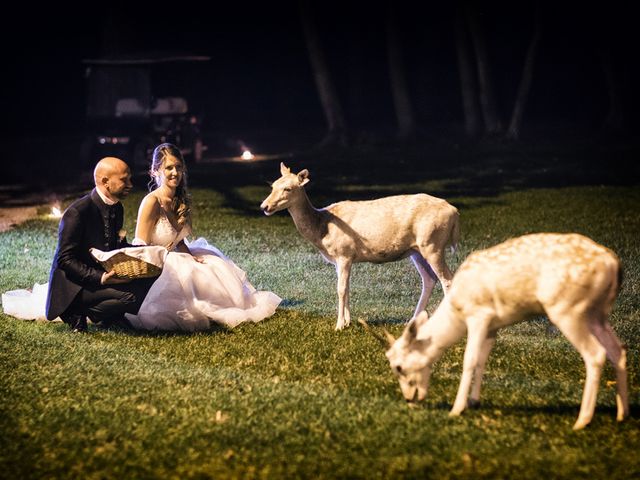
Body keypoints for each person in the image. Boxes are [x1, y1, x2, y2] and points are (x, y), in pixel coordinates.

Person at [126, 143, 281, 331]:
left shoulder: (178, 199)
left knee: (211, 266)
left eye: (178, 167)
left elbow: (178, 239)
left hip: (178, 253)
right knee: (188, 274)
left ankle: (220, 306)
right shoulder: (152, 201)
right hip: (157, 262)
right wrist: (163, 256)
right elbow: (139, 245)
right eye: (169, 168)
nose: (175, 172)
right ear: (155, 171)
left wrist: (190, 255)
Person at [45, 157, 155, 332]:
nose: (130, 185)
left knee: (149, 279)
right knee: (130, 296)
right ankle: (77, 311)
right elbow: (64, 260)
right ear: (105, 182)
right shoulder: (77, 212)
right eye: (124, 180)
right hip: (76, 285)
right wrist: (102, 278)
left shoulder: (118, 208)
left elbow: (116, 245)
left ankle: (110, 315)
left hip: (102, 274)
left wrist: (146, 252)